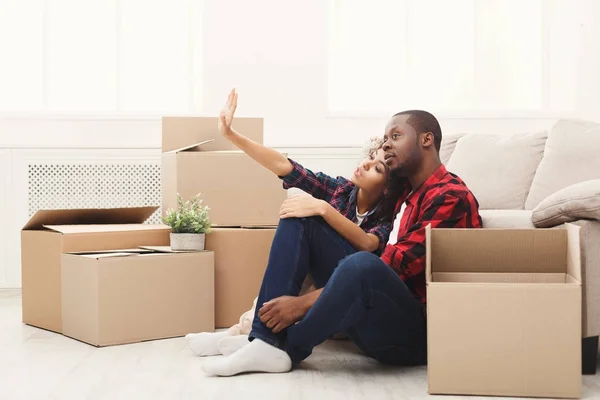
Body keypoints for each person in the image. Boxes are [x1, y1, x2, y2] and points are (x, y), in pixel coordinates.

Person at [201, 106, 483, 377]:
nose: (386, 146)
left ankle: (287, 347)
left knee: (363, 264)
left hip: (416, 335)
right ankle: (263, 339)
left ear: (427, 139)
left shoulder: (449, 196)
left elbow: (393, 264)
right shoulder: (406, 193)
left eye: (395, 136)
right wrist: (232, 134)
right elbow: (291, 170)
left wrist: (301, 304)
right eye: (385, 140)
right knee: (301, 214)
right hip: (374, 313)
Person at [186, 88, 399, 356]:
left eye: (377, 168)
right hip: (315, 287)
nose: (367, 164)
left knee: (310, 221)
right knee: (299, 227)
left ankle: (253, 336)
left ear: (388, 189)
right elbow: (285, 166)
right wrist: (231, 135)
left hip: (343, 303)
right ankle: (247, 334)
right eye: (371, 157)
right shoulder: (341, 191)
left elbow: (368, 245)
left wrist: (322, 208)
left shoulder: (388, 216)